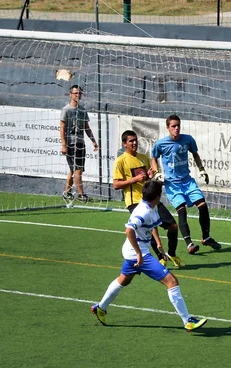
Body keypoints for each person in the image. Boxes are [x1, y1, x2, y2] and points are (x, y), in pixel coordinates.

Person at [91, 180, 207, 332]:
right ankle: (187, 321)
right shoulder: (142, 211)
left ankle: (100, 307)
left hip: (134, 251)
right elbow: (129, 230)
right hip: (137, 253)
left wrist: (159, 244)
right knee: (172, 281)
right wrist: (139, 254)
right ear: (158, 196)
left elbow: (151, 226)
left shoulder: (152, 207)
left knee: (123, 280)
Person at [150, 114, 221, 255]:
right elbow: (154, 157)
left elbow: (195, 154)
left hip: (187, 181)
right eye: (173, 126)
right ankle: (189, 244)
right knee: (182, 210)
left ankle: (206, 237)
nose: (176, 128)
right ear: (168, 128)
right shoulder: (161, 144)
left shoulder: (187, 139)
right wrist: (157, 172)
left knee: (203, 205)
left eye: (178, 126)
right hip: (173, 184)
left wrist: (202, 169)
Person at [113, 130, 184, 269]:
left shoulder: (143, 158)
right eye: (131, 141)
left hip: (150, 199)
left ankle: (172, 254)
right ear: (124, 144)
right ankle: (160, 258)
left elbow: (146, 178)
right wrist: (134, 179)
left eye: (135, 140)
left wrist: (150, 176)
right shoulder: (121, 161)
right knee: (149, 230)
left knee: (173, 226)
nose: (134, 143)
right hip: (135, 202)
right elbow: (116, 184)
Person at [59, 85, 98, 202]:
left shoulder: (82, 110)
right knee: (77, 169)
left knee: (74, 169)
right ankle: (81, 194)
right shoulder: (66, 110)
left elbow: (87, 127)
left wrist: (93, 141)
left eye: (79, 93)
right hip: (71, 144)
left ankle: (67, 192)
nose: (77, 95)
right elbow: (62, 128)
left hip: (81, 143)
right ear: (70, 94)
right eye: (75, 93)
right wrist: (64, 145)